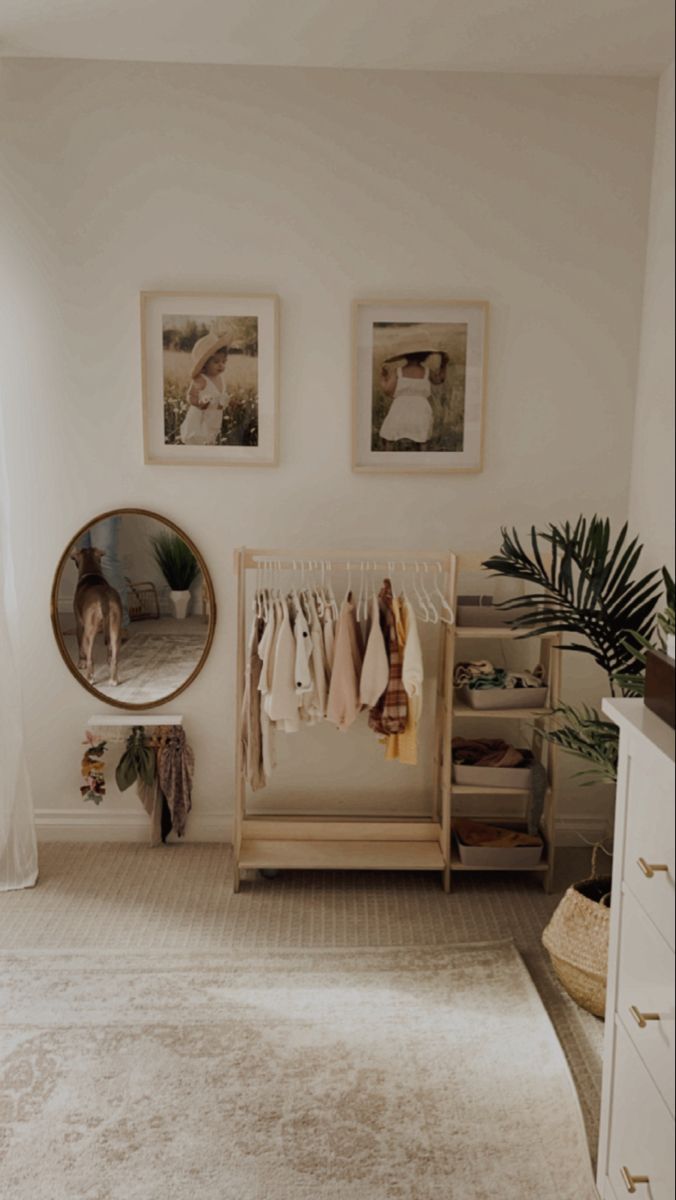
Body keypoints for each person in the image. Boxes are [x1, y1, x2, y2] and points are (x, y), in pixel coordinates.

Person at [378, 349, 448, 450]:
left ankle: (388, 459)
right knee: (422, 437)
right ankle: (423, 460)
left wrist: (383, 377)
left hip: (400, 408)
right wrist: (444, 364)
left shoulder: (398, 371)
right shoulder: (427, 371)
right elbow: (439, 379)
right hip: (421, 409)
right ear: (424, 356)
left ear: (406, 356)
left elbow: (387, 390)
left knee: (390, 436)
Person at [180, 331, 234, 446]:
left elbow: (219, 398)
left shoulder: (220, 379)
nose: (221, 365)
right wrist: (198, 403)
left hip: (213, 419)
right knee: (197, 443)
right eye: (216, 362)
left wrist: (223, 403)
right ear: (204, 364)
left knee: (210, 441)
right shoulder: (201, 379)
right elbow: (190, 396)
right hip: (200, 420)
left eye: (224, 362)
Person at [78, 514, 129, 630]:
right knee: (83, 559)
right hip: (77, 502)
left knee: (106, 559)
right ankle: (87, 621)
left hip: (103, 501)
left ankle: (119, 623)